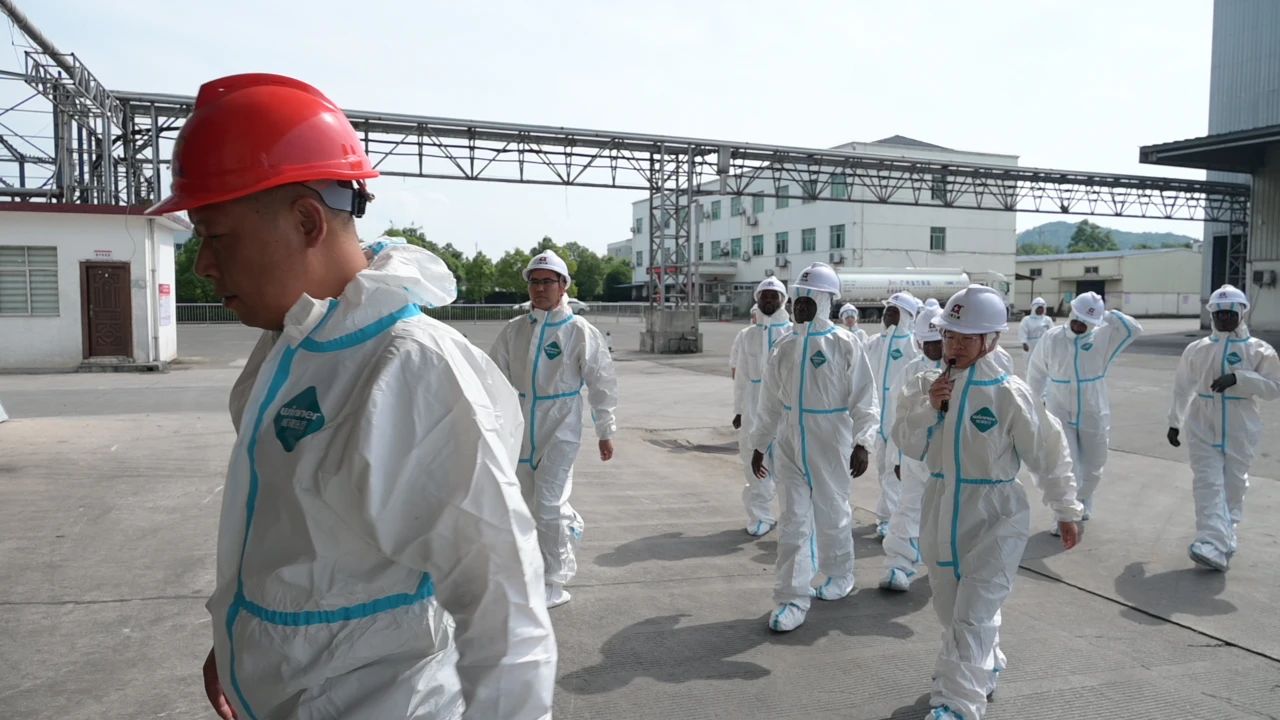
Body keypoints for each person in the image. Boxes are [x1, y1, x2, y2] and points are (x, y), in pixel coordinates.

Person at [155, 73, 555, 720]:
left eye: (215, 235)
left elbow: (504, 609)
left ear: (306, 221)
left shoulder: (409, 368)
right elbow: (299, 538)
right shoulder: (289, 345)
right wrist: (241, 640)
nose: (202, 264)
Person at [893, 285, 1083, 720]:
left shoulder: (1009, 393)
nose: (954, 346)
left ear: (990, 339)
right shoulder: (925, 386)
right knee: (950, 609)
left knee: (973, 613)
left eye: (966, 338)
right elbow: (907, 442)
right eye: (950, 335)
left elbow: (1048, 452)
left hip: (996, 515)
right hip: (941, 509)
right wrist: (929, 408)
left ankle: (958, 703)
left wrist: (1066, 509)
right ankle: (984, 662)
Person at [748, 263, 879, 632]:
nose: (800, 306)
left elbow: (865, 397)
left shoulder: (844, 343)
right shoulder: (785, 346)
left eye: (809, 300)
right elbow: (769, 402)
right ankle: (791, 597)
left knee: (833, 512)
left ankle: (839, 574)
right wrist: (760, 443)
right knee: (793, 520)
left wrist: (863, 442)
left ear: (825, 302)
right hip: (790, 443)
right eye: (798, 300)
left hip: (830, 441)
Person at [489, 250, 619, 609]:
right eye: (534, 281)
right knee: (525, 503)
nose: (540, 288)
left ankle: (554, 580)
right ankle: (552, 543)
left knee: (547, 503)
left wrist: (605, 429)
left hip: (561, 424)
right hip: (521, 425)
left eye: (548, 281)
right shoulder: (514, 330)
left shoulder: (579, 331)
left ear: (563, 286)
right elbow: (492, 376)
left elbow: (602, 382)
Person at [1167, 284, 1280, 571]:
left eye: (1230, 313)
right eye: (1219, 313)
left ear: (1242, 313)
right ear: (1212, 314)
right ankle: (1210, 543)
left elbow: (1274, 388)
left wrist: (1240, 379)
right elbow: (1182, 388)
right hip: (1202, 421)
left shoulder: (1259, 350)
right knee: (1207, 482)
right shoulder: (1197, 349)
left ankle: (1225, 538)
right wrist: (1175, 422)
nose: (1224, 318)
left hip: (1241, 422)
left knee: (1233, 484)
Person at [1027, 291, 1143, 524]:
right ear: (1071, 314)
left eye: (1086, 322)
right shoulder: (1052, 337)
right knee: (1064, 463)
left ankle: (1083, 500)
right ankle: (1064, 515)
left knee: (1094, 464)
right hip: (1059, 406)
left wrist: (1105, 314)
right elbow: (1036, 372)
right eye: (1077, 319)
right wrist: (1033, 404)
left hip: (1093, 407)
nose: (1080, 326)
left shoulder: (1103, 337)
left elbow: (1134, 329)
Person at [879, 305, 944, 592]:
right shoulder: (911, 371)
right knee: (907, 509)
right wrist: (896, 457)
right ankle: (899, 565)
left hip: (949, 458)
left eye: (937, 342)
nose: (933, 348)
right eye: (926, 343)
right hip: (914, 456)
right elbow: (898, 416)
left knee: (946, 515)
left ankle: (944, 567)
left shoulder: (964, 370)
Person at [731, 278, 792, 536]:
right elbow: (741, 377)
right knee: (754, 461)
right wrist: (738, 410)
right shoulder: (747, 336)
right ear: (757, 299)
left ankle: (792, 518)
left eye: (773, 295)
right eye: (764, 295)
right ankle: (760, 516)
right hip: (753, 405)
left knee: (788, 464)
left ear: (782, 300)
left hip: (784, 407)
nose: (768, 300)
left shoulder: (792, 333)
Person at [865, 291, 922, 538]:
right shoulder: (874, 343)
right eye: (887, 311)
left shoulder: (913, 345)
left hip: (899, 420)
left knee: (894, 472)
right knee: (882, 469)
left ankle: (890, 520)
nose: (888, 315)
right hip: (878, 419)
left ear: (907, 316)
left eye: (894, 311)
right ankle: (887, 515)